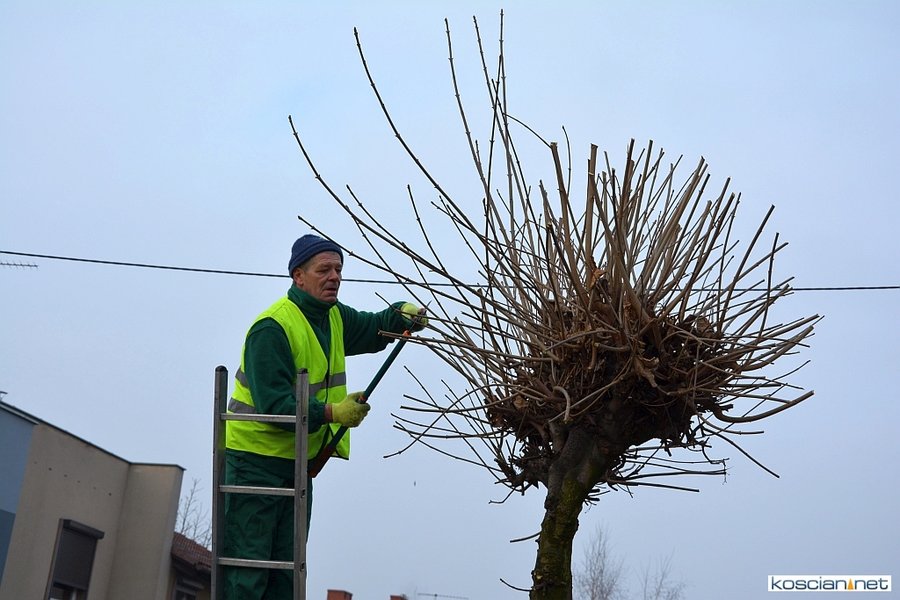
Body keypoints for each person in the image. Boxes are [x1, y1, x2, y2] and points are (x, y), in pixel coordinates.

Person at [222, 234, 426, 599]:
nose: (334, 277)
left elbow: (370, 327)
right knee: (249, 573)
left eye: (338, 269)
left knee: (287, 573)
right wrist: (333, 412)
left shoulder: (332, 316)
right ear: (298, 276)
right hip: (253, 464)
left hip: (297, 466)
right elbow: (275, 408)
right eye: (324, 269)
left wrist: (398, 315)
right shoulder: (272, 329)